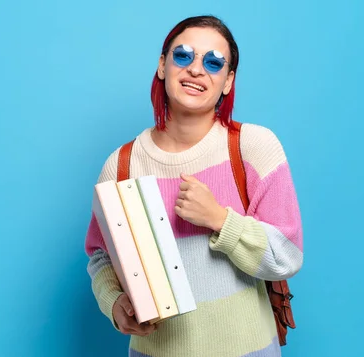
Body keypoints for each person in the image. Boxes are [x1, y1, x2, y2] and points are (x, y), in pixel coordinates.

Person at [84, 15, 303, 357]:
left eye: (214, 63)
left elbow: (286, 256)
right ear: (162, 65)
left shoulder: (253, 148)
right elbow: (100, 256)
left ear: (228, 81)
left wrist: (221, 219)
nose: (197, 70)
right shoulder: (122, 165)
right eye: (183, 56)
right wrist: (115, 303)